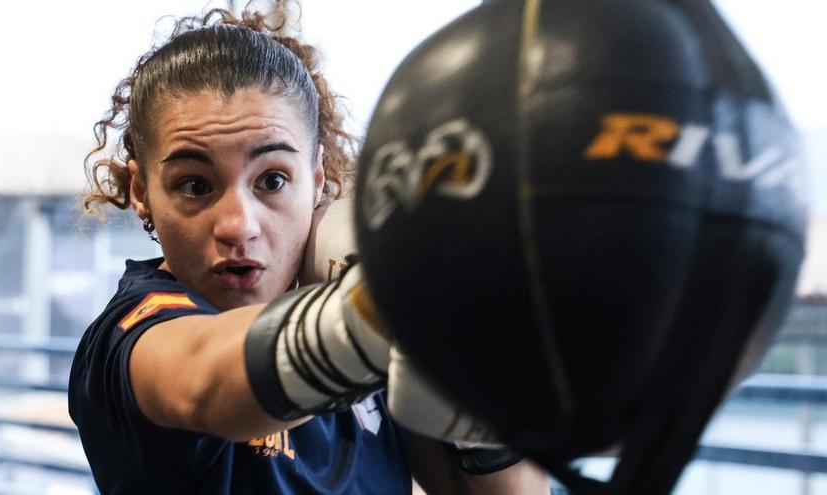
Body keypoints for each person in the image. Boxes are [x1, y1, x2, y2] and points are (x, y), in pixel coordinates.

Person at [68, 5, 550, 494]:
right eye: (195, 185)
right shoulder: (129, 339)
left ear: (317, 180)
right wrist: (389, 306)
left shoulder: (358, 316)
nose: (238, 225)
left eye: (273, 179)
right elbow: (202, 383)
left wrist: (484, 385)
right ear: (141, 190)